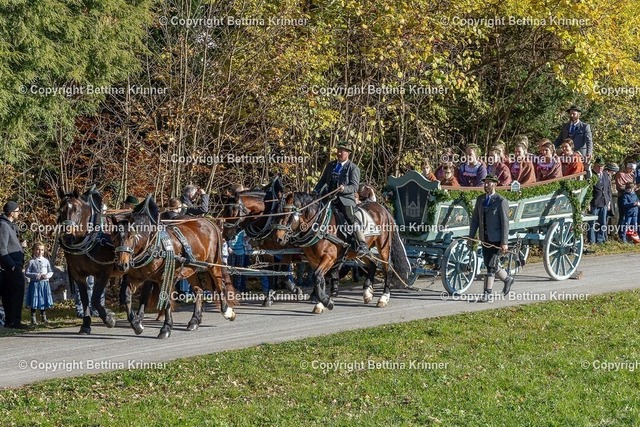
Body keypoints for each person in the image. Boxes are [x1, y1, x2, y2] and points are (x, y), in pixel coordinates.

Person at [313, 141, 368, 256]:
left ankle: (362, 243)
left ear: (348, 153)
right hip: (329, 197)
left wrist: (344, 189)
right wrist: (315, 191)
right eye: (338, 150)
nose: (339, 153)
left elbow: (354, 187)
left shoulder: (353, 168)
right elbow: (322, 181)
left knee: (350, 217)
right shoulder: (330, 165)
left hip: (345, 199)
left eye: (342, 151)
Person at [468, 175, 514, 302]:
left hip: (496, 239)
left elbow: (505, 223)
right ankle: (507, 279)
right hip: (485, 238)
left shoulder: (501, 201)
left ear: (495, 184)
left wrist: (504, 242)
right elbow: (475, 220)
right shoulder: (480, 199)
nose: (486, 185)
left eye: (489, 183)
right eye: (485, 183)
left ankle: (487, 293)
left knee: (490, 266)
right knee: (490, 263)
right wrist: (471, 236)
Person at [0, 201, 26, 329]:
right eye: (17, 211)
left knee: (10, 293)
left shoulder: (10, 225)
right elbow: (2, 249)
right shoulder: (4, 226)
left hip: (13, 265)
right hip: (11, 266)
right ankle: (14, 321)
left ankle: (11, 321)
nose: (18, 213)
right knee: (15, 293)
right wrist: (12, 266)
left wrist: (21, 246)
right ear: (11, 213)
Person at [24, 242, 54, 325]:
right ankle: (33, 318)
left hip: (44, 284)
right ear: (33, 250)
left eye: (42, 250)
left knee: (43, 299)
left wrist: (47, 275)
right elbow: (27, 272)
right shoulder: (32, 262)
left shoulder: (46, 261)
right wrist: (36, 275)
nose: (40, 252)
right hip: (35, 284)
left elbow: (51, 271)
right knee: (34, 299)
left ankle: (44, 317)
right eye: (38, 250)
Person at [588, 157, 612, 244]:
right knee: (592, 222)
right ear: (594, 165)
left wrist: (609, 201)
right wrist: (588, 203)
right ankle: (592, 240)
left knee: (603, 222)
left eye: (602, 166)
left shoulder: (605, 174)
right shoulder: (591, 174)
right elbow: (588, 190)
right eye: (598, 166)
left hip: (604, 202)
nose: (600, 168)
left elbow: (608, 189)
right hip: (594, 202)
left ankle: (600, 240)